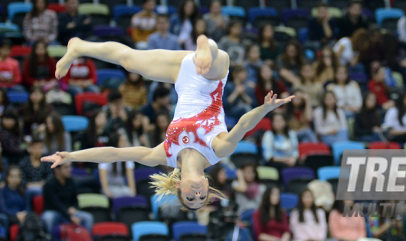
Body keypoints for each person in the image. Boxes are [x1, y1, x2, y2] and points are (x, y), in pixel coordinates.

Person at [43, 35, 292, 210]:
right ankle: (207, 46)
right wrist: (265, 108)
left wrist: (72, 157)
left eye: (190, 198)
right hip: (211, 78)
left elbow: (114, 153)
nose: (197, 194)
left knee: (129, 61)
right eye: (201, 196)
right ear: (207, 184)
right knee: (215, 60)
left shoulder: (165, 154)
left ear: (177, 185)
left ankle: (78, 47)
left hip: (181, 77)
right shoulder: (218, 151)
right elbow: (243, 126)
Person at [41, 163, 94, 233]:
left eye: (70, 167)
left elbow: (75, 201)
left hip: (69, 211)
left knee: (88, 218)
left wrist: (74, 208)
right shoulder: (49, 185)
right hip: (55, 211)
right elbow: (56, 204)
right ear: (57, 170)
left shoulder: (71, 182)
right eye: (66, 168)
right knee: (48, 217)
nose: (70, 170)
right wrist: (69, 216)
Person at [98, 131, 136, 198]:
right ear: (115, 143)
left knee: (128, 192)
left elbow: (131, 185)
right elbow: (104, 185)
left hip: (121, 187)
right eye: (122, 142)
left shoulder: (127, 159)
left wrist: (132, 196)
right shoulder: (106, 158)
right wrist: (108, 193)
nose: (125, 144)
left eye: (125, 142)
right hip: (110, 187)